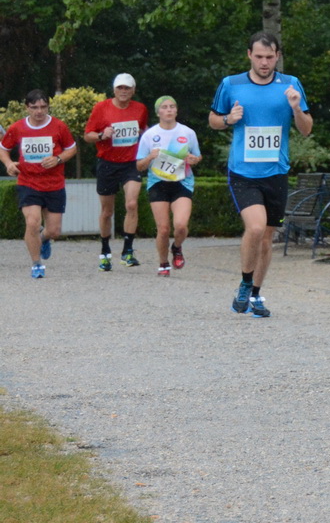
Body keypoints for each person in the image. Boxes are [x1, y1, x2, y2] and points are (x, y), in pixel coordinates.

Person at [208, 32, 313, 317]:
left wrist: (295, 107)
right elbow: (213, 120)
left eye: (269, 57)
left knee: (266, 239)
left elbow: (306, 128)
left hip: (275, 172)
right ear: (249, 56)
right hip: (243, 171)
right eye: (259, 57)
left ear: (277, 56)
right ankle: (244, 283)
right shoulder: (231, 84)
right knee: (255, 228)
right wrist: (229, 119)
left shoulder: (291, 85)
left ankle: (255, 295)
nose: (264, 62)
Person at [1, 90, 78, 279]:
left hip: (54, 184)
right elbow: (3, 149)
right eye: (34, 107)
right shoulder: (18, 128)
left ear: (48, 106)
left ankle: (43, 239)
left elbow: (72, 149)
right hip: (29, 182)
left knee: (54, 231)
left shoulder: (59, 126)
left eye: (43, 107)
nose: (39, 111)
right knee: (33, 222)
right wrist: (9, 163)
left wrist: (58, 159)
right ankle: (36, 264)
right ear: (27, 107)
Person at [85, 73, 151, 270]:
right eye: (120, 88)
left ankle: (127, 251)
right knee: (107, 212)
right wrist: (101, 135)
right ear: (114, 89)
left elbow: (143, 130)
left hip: (131, 163)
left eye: (127, 88)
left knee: (131, 204)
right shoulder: (101, 108)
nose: (123, 91)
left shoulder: (140, 109)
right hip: (107, 163)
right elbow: (87, 136)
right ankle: (105, 251)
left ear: (133, 90)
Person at [137, 96, 201, 277]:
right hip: (158, 183)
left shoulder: (187, 133)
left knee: (180, 225)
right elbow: (139, 165)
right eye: (164, 107)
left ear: (176, 110)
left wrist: (193, 160)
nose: (169, 110)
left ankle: (177, 247)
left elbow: (197, 156)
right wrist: (150, 157)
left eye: (172, 106)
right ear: (158, 112)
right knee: (163, 229)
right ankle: (163, 263)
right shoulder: (149, 136)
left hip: (182, 182)